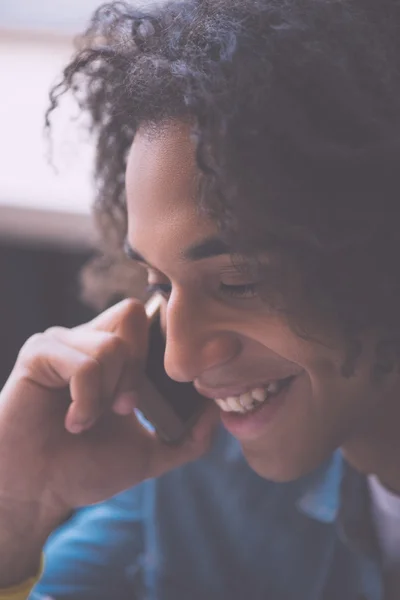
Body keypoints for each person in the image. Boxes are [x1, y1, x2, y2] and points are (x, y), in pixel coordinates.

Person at [1, 0, 400, 598]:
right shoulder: (199, 468)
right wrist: (15, 511)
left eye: (238, 283)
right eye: (159, 284)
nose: (178, 363)